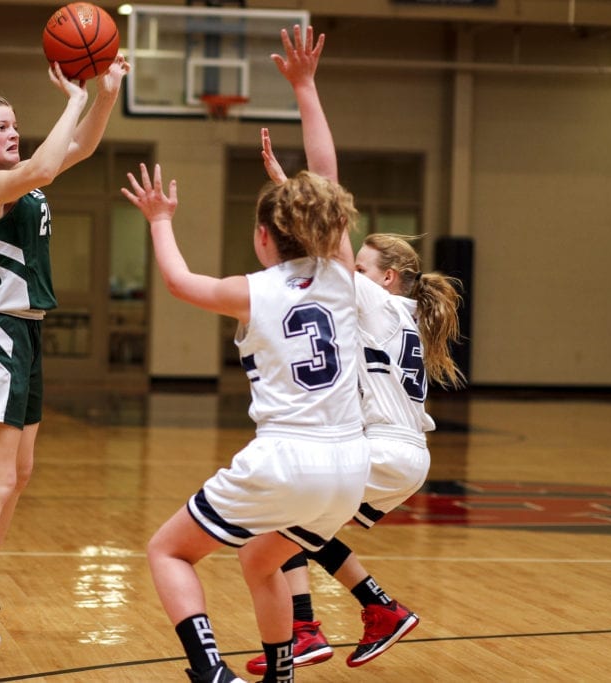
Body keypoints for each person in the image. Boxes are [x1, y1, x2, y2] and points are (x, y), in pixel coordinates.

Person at [245, 26, 465, 677]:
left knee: (279, 502)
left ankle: (318, 626)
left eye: (360, 263)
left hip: (382, 448)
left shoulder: (369, 300)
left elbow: (330, 189)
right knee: (298, 517)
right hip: (400, 452)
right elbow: (323, 212)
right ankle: (363, 610)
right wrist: (294, 189)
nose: (348, 263)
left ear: (389, 277)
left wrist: (306, 90)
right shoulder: (392, 307)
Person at [122, 136, 369, 682]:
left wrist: (160, 219)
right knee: (262, 559)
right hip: (351, 468)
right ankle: (280, 678)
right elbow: (327, 178)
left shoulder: (254, 290)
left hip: (284, 458)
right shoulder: (342, 278)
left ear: (263, 237)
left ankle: (210, 670)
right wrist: (305, 92)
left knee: (168, 552)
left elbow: (178, 281)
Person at [0, 55, 130, 679]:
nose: (14, 134)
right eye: (5, 126)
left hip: (27, 338)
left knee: (18, 473)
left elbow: (82, 147)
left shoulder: (25, 181)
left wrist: (104, 94)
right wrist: (72, 92)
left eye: (17, 125)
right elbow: (46, 159)